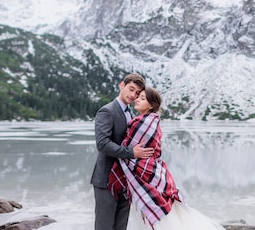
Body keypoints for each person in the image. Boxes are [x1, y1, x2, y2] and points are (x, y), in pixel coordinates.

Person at [108, 87, 225, 230]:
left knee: (155, 216)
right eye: (138, 96)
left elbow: (129, 149)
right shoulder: (150, 120)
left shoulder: (143, 123)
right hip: (153, 173)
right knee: (157, 214)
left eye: (142, 98)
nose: (137, 99)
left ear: (151, 105)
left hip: (145, 175)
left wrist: (124, 150)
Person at [91, 73, 155, 230]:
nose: (133, 95)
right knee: (104, 226)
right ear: (122, 85)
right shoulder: (106, 111)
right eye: (131, 89)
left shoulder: (131, 113)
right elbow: (103, 144)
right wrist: (132, 153)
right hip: (106, 180)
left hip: (125, 180)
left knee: (121, 226)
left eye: (137, 93)